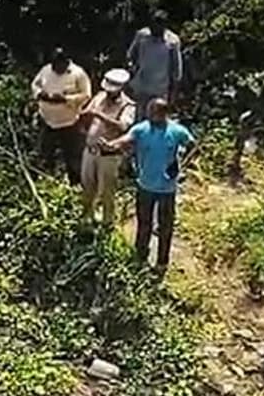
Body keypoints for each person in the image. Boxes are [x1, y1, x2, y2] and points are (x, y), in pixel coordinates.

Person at [99, 98, 197, 275]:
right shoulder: (142, 128)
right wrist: (110, 145)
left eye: (155, 113)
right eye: (150, 112)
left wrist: (181, 165)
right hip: (145, 186)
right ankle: (140, 258)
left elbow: (192, 145)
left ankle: (161, 263)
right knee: (144, 224)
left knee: (166, 226)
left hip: (167, 188)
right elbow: (125, 139)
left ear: (164, 114)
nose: (151, 116)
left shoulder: (176, 131)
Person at [79, 68, 137, 224]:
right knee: (87, 186)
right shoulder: (99, 97)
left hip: (109, 155)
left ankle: (107, 221)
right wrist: (84, 117)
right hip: (90, 149)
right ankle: (87, 218)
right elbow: (87, 114)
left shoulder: (128, 106)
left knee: (107, 191)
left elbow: (123, 127)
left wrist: (99, 115)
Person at [31, 46, 92, 188]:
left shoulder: (78, 74)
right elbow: (35, 84)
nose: (56, 68)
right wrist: (40, 94)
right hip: (47, 121)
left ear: (66, 62)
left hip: (69, 123)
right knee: (45, 152)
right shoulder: (46, 70)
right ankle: (45, 181)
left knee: (72, 155)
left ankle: (75, 183)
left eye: (59, 65)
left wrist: (66, 99)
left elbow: (86, 94)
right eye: (54, 65)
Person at [126, 9, 183, 112]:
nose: (154, 29)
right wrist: (132, 70)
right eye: (152, 26)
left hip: (159, 90)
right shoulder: (142, 35)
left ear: (164, 26)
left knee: (156, 120)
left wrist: (173, 94)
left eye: (157, 26)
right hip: (140, 87)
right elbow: (131, 55)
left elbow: (176, 71)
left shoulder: (172, 41)